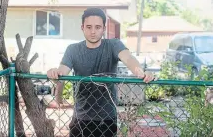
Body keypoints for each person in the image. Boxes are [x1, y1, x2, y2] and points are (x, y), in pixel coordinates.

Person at [47, 8, 156, 137]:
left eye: (97, 27)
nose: (93, 31)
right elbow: (61, 73)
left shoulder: (113, 44)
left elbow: (128, 58)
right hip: (80, 117)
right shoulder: (73, 49)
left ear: (104, 28)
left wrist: (140, 71)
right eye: (89, 27)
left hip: (107, 118)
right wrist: (53, 73)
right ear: (82, 27)